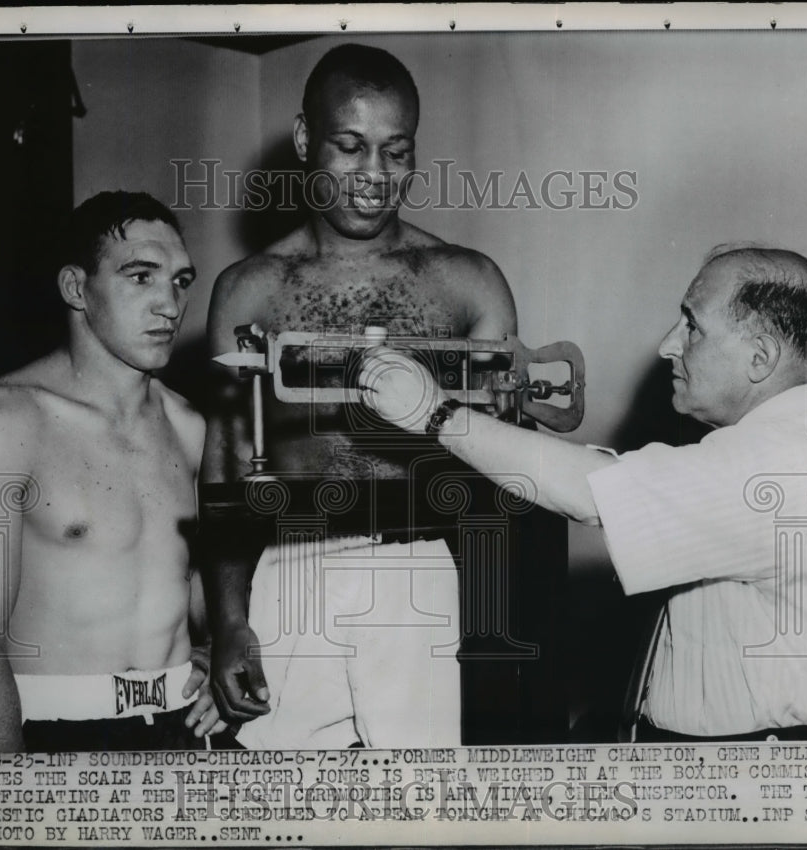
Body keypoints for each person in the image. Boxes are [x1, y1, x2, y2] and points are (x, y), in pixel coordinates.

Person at [360, 245, 807, 741]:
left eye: (692, 326)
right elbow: (618, 479)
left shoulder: (781, 465)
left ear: (759, 358)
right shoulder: (803, 444)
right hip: (748, 762)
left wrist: (434, 414)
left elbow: (591, 492)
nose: (668, 345)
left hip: (772, 780)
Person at [203, 43, 518, 748]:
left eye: (396, 151)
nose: (374, 176)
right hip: (291, 566)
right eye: (350, 147)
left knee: (419, 809)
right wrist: (228, 623)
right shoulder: (249, 289)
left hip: (418, 569)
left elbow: (508, 460)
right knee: (281, 801)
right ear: (307, 139)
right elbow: (224, 466)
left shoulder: (468, 283)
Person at [0, 191, 228, 751]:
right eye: (141, 277)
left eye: (181, 281)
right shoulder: (4, 421)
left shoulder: (190, 427)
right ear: (75, 288)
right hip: (55, 736)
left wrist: (218, 654)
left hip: (181, 726)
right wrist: (6, 801)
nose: (170, 305)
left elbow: (195, 588)